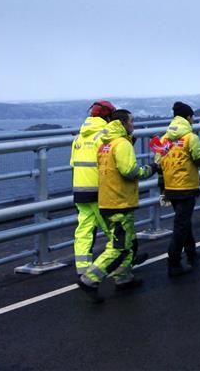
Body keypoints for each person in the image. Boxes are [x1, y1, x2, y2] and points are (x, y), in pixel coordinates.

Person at [77, 109, 152, 301]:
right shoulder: (121, 144)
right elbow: (130, 171)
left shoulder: (104, 144)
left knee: (126, 242)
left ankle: (123, 277)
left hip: (107, 199)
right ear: (123, 123)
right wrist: (150, 169)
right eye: (131, 121)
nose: (133, 125)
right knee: (118, 246)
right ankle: (90, 279)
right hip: (120, 201)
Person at [157, 101, 200, 277]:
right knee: (181, 225)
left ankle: (192, 253)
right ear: (188, 118)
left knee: (184, 220)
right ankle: (173, 262)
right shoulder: (190, 138)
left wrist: (163, 188)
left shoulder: (164, 138)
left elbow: (159, 163)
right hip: (187, 187)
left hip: (170, 187)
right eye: (192, 117)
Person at [70, 100, 115, 276]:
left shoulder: (78, 138)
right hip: (99, 189)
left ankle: (83, 269)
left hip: (79, 189)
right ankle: (121, 264)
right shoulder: (103, 136)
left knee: (84, 230)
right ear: (108, 116)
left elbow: (73, 163)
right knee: (112, 229)